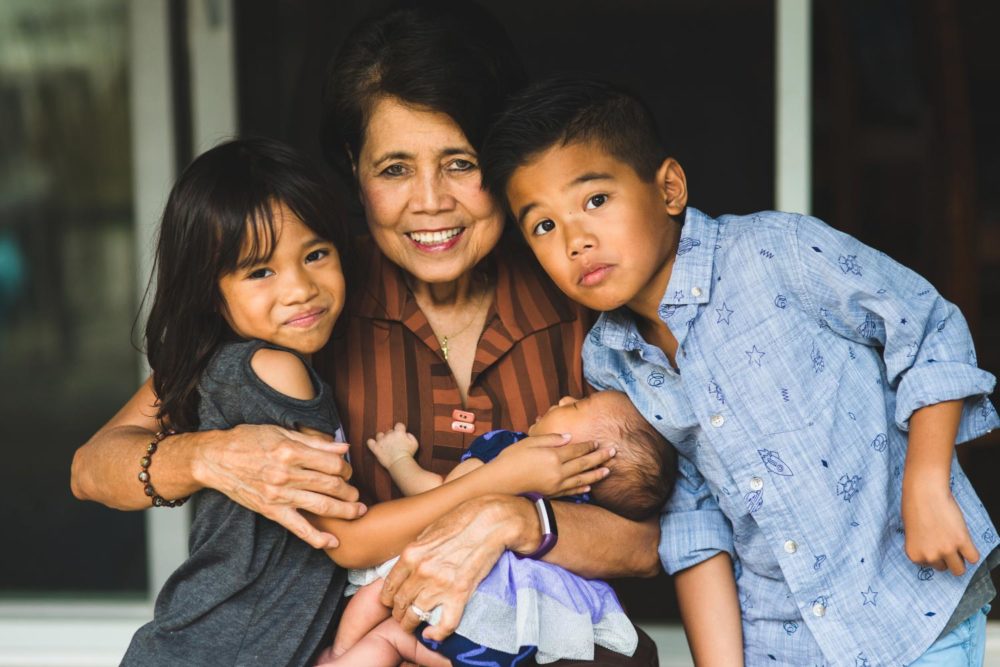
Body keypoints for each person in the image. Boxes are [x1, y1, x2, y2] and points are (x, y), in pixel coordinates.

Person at [70, 4, 662, 665]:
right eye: (395, 169)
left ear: (501, 159)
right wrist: (208, 456)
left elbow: (660, 541)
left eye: (459, 163)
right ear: (354, 168)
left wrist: (519, 520)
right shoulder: (312, 294)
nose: (430, 200)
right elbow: (95, 467)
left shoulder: (576, 292)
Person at [480, 78, 1000, 666]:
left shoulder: (778, 253)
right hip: (783, 641)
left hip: (912, 608)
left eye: (595, 200)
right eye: (543, 226)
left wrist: (926, 484)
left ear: (669, 188)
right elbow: (692, 516)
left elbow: (926, 326)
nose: (576, 240)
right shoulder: (611, 361)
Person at [118, 136, 610, 665]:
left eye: (315, 255)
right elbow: (345, 542)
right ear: (211, 293)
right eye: (261, 272)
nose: (300, 288)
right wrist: (502, 480)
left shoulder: (238, 366)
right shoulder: (275, 370)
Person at [319, 390, 675, 666]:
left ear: (592, 455)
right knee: (395, 641)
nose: (566, 397)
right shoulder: (593, 505)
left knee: (380, 601)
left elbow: (440, 494)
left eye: (578, 405)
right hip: (519, 632)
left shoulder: (511, 452)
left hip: (463, 599)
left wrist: (398, 460)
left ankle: (340, 652)